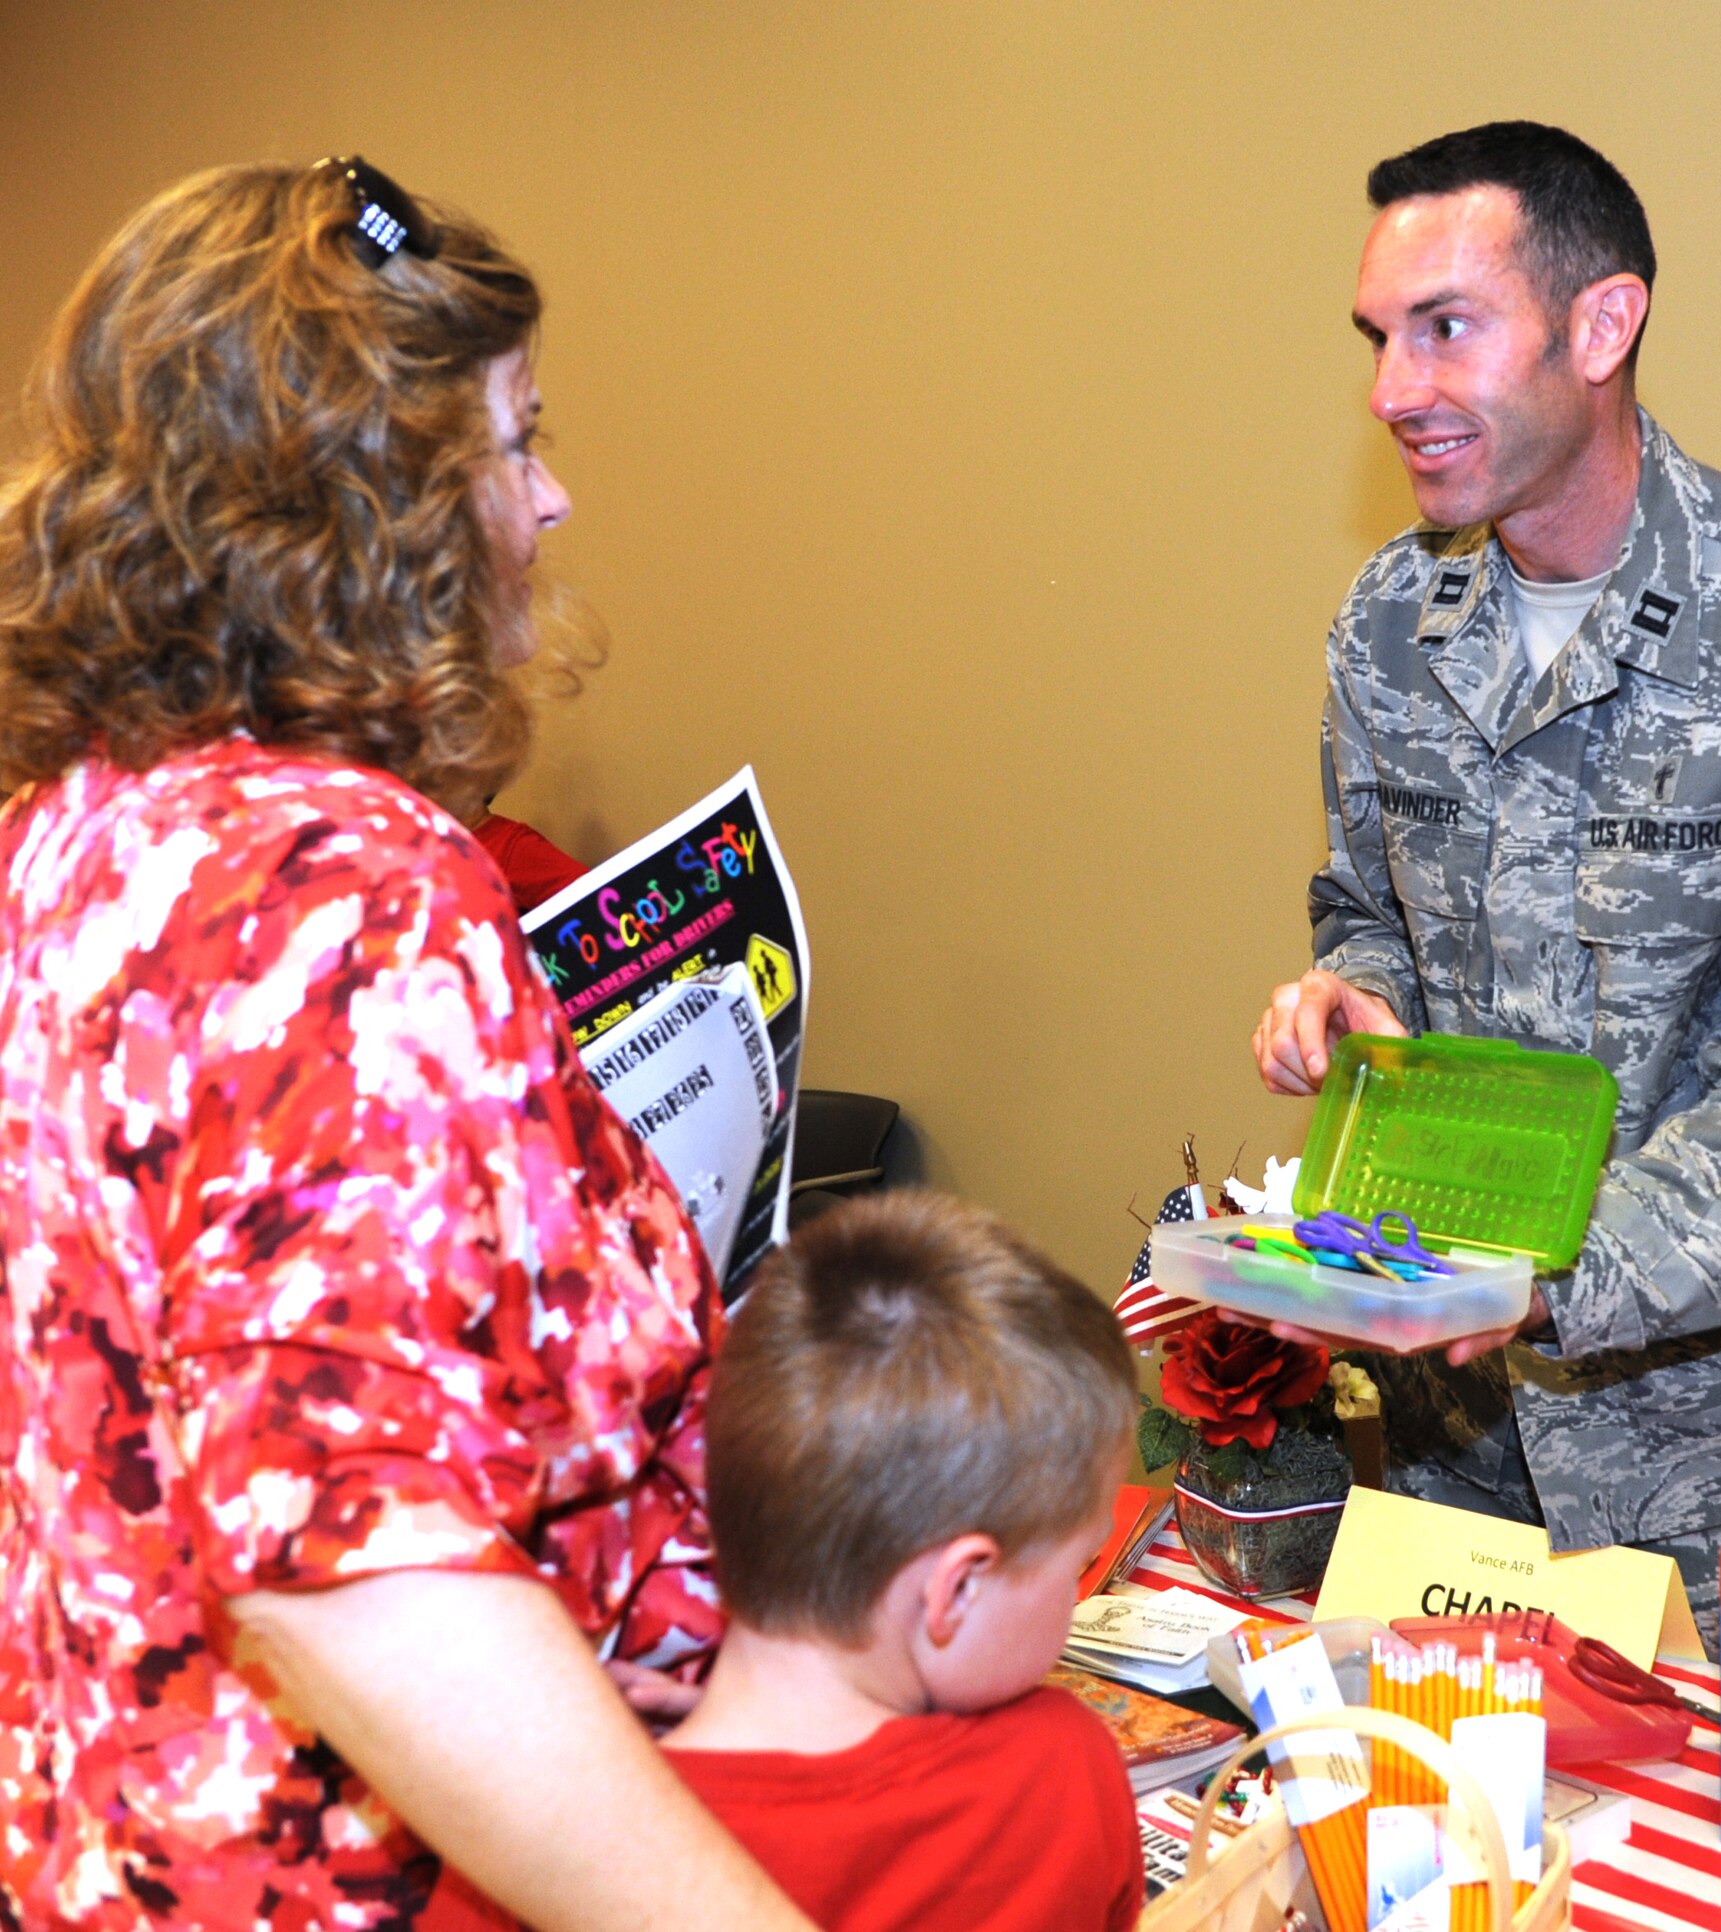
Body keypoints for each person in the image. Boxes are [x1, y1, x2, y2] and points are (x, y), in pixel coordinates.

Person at [0, 159, 812, 1930]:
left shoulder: (87, 839)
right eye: (513, 442)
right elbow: (357, 1572)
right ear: (371, 514)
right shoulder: (340, 894)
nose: (554, 493)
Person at [1252, 122, 1721, 1643]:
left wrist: (1553, 1279)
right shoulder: (1388, 618)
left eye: (1446, 329)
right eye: (1379, 338)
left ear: (1600, 325)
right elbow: (1364, 899)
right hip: (1462, 1438)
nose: (1391, 393)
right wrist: (1353, 992)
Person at [665, 1190, 1146, 1932]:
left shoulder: (517, 1851)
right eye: (1079, 1568)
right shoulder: (1056, 1770)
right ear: (957, 1589)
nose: (1074, 1603)